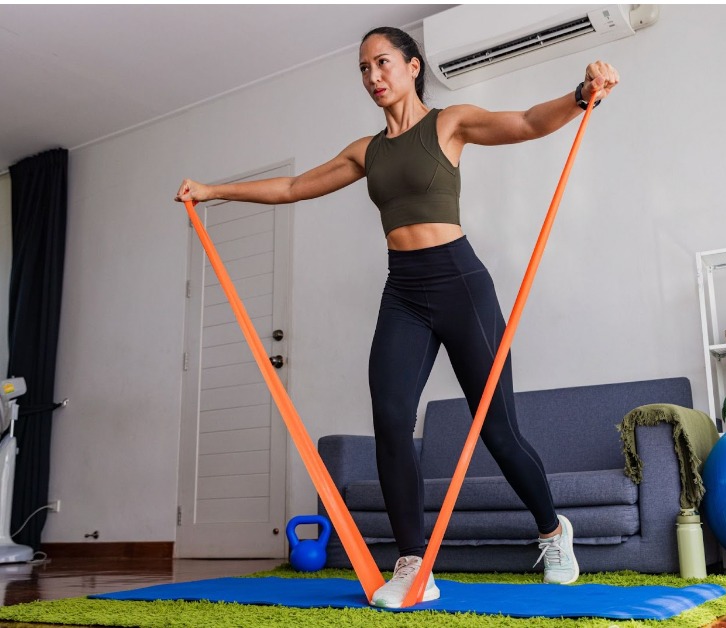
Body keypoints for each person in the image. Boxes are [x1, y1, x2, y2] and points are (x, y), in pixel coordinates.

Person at [176, 26, 619, 608]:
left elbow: (528, 122)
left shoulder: (450, 123)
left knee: (499, 431)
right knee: (389, 419)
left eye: (382, 62)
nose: (373, 76)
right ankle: (414, 563)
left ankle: (553, 530)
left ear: (413, 66)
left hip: (461, 284)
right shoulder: (367, 151)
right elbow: (293, 186)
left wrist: (582, 95)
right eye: (364, 68)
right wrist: (213, 191)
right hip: (404, 292)